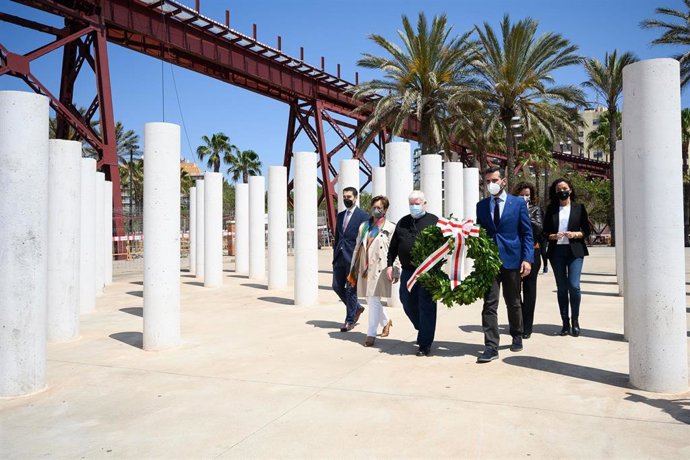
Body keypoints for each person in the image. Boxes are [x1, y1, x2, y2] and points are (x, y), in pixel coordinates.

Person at [475, 167, 534, 363]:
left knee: (513, 301)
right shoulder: (481, 206)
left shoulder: (517, 204)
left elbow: (527, 233)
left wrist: (527, 259)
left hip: (512, 259)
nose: (491, 184)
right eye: (488, 181)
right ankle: (491, 346)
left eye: (495, 180)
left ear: (503, 181)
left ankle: (517, 334)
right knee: (489, 304)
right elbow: (480, 233)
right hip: (490, 262)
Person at [386, 191, 438, 356]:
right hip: (408, 272)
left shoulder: (434, 221)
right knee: (406, 301)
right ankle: (423, 329)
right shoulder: (403, 222)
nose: (414, 206)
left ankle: (425, 343)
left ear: (424, 203)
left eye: (417, 203)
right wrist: (389, 265)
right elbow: (393, 246)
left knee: (426, 306)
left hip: (427, 273)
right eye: (411, 204)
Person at [542, 178, 591, 337]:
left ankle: (575, 321)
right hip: (557, 252)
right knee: (562, 288)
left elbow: (586, 231)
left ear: (570, 189)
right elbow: (545, 232)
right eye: (558, 189)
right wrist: (553, 236)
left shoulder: (579, 208)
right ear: (555, 192)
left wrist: (575, 234)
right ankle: (565, 322)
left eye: (564, 188)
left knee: (574, 285)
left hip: (575, 251)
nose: (562, 191)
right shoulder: (551, 209)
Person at [348, 196, 397, 347]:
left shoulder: (391, 227)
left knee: (374, 299)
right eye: (374, 207)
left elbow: (395, 251)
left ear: (385, 210)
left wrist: (395, 268)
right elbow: (357, 248)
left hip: (381, 268)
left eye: (379, 208)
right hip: (364, 267)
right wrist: (352, 270)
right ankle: (385, 321)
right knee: (370, 299)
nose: (376, 210)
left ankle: (371, 334)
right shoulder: (364, 226)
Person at [332, 186, 369, 332]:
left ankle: (350, 320)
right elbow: (337, 237)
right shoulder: (340, 215)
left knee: (351, 290)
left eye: (349, 197)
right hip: (340, 256)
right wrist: (334, 254)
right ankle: (357, 308)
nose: (346, 199)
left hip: (354, 258)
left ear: (355, 198)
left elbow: (365, 239)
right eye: (344, 197)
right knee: (336, 286)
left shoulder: (363, 216)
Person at [513, 182, 543, 339]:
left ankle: (527, 326)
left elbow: (538, 228)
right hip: (515, 253)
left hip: (532, 252)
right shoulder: (511, 209)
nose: (525, 197)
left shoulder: (535, 209)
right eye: (522, 194)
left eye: (527, 195)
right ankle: (519, 322)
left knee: (530, 291)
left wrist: (524, 212)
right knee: (515, 291)